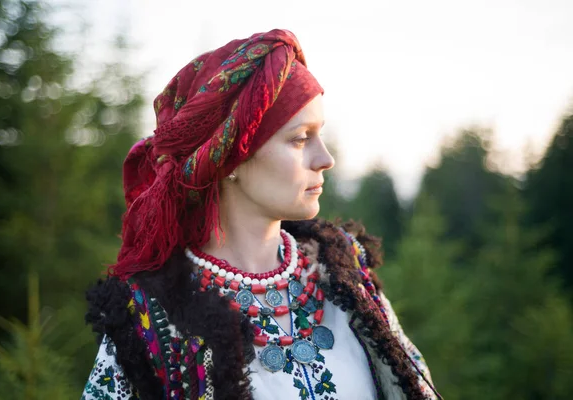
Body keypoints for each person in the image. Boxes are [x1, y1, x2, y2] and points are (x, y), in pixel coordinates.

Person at [81, 29, 441, 400]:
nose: (325, 159)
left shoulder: (344, 271)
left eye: (320, 135)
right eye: (301, 138)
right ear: (230, 156)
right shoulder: (150, 317)